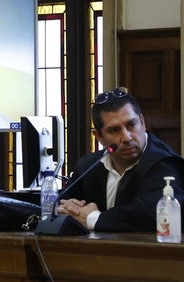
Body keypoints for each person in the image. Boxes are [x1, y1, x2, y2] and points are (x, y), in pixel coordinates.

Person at [57, 86, 184, 232]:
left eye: (131, 125)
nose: (127, 137)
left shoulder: (165, 163)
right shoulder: (88, 166)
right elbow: (61, 201)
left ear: (142, 122)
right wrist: (69, 208)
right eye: (114, 130)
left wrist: (92, 218)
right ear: (99, 137)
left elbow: (152, 213)